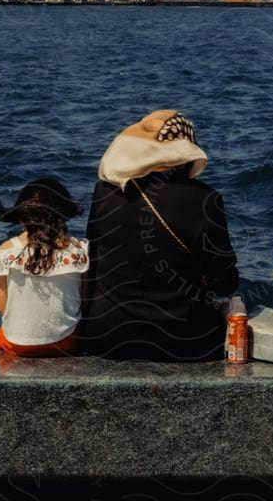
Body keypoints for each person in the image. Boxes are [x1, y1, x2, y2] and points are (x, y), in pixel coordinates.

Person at [79, 108, 239, 361]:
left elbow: (93, 261)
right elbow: (225, 282)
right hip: (184, 339)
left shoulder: (105, 193)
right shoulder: (205, 198)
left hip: (106, 336)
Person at [0, 176, 87, 358]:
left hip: (15, 344)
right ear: (64, 215)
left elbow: (1, 306)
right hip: (65, 342)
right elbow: (84, 300)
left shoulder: (6, 251)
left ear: (22, 217)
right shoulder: (77, 250)